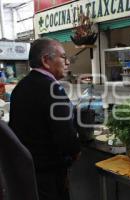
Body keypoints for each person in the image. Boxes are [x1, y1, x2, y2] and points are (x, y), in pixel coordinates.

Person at [9, 38, 80, 200]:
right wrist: (75, 151)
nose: (67, 62)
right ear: (46, 60)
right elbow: (66, 135)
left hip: (27, 169)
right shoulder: (53, 89)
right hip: (49, 173)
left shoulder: (21, 86)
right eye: (63, 57)